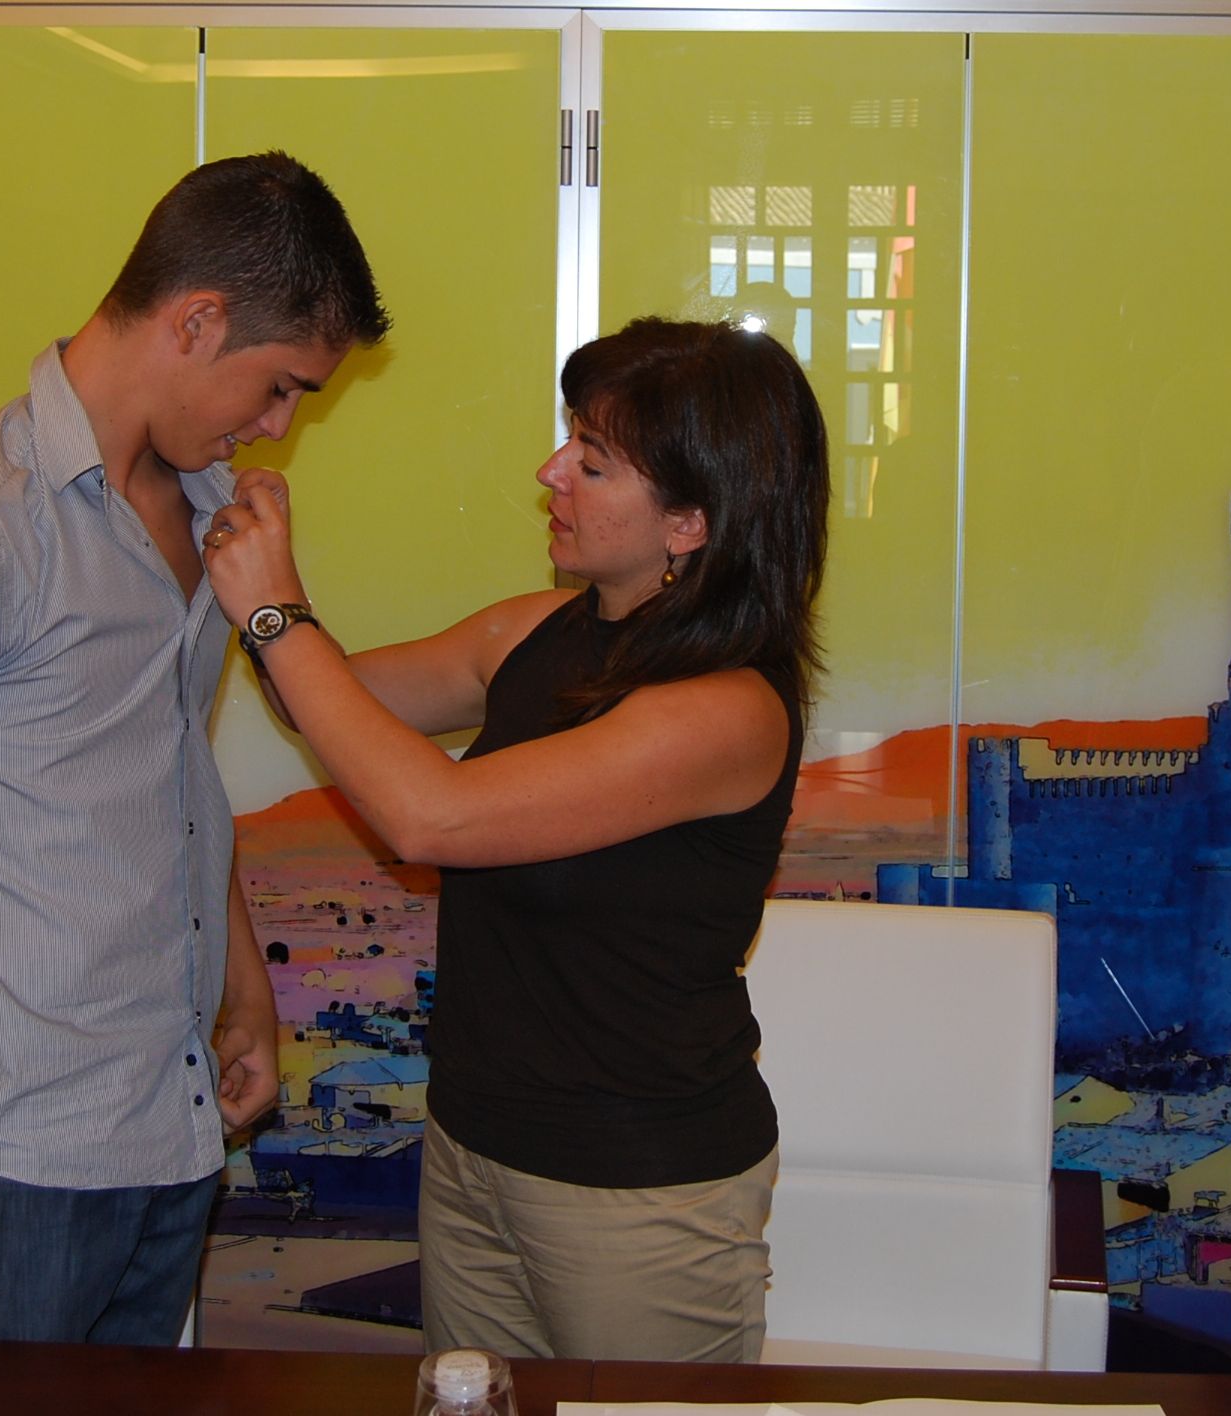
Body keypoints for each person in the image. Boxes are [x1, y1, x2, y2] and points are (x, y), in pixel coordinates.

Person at [0, 151, 390, 1344]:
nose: (279, 426)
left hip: (169, 1133)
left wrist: (243, 994)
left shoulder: (208, 512)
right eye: (278, 387)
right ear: (195, 322)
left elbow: (168, 782)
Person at [199, 316, 829, 1361]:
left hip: (637, 1190)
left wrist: (275, 612)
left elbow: (429, 815)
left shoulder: (725, 710)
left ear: (688, 522)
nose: (550, 473)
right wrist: (255, 570)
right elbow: (331, 700)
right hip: (472, 1152)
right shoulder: (533, 630)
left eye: (592, 461)